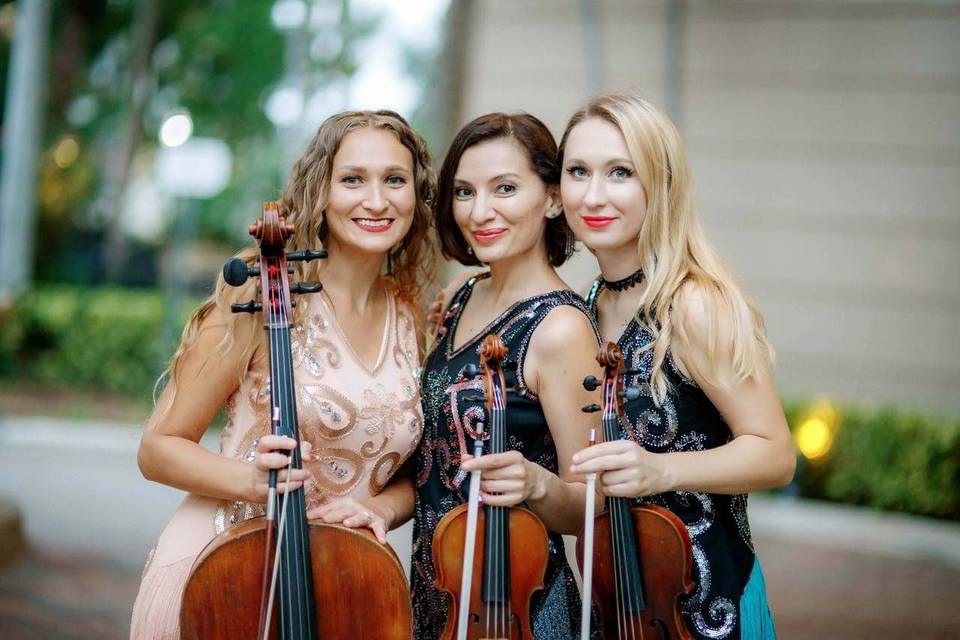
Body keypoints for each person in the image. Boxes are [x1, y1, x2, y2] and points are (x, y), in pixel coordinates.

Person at [130, 110, 437, 639]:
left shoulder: (412, 317)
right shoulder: (259, 295)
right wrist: (251, 479)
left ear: (416, 194)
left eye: (394, 180)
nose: (377, 200)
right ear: (322, 189)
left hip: (339, 586)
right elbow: (158, 448)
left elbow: (416, 472)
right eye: (353, 179)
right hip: (223, 575)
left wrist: (381, 509)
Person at [562, 93, 795, 639]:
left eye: (620, 172)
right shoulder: (583, 306)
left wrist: (662, 470)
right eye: (578, 171)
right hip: (618, 604)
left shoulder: (690, 304)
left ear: (661, 185)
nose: (593, 194)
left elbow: (775, 452)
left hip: (707, 610)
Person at [412, 112, 601, 639]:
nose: (480, 211)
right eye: (465, 192)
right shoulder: (462, 296)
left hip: (516, 606)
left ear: (553, 198)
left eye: (506, 188)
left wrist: (538, 484)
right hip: (439, 594)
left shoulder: (561, 328)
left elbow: (593, 501)